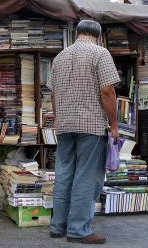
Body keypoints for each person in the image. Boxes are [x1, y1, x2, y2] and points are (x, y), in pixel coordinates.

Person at [47, 20, 119, 244]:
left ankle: (57, 226)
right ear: (98, 36)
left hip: (64, 125)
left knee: (64, 174)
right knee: (86, 178)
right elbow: (107, 91)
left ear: (76, 34)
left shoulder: (60, 57)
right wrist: (114, 124)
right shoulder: (100, 53)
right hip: (90, 125)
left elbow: (52, 94)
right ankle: (79, 230)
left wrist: (60, 118)